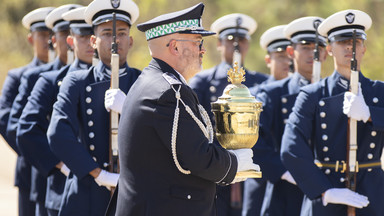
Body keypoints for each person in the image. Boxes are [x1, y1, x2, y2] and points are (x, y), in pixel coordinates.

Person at [106, 3, 259, 216]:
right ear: (175, 47)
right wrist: (234, 164)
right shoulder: (167, 91)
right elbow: (197, 156)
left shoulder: (157, 83)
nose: (203, 49)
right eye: (198, 42)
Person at [281, 9, 382, 216]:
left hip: (372, 192)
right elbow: (291, 147)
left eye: (356, 42)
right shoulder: (313, 94)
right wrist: (325, 191)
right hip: (327, 191)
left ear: (364, 48)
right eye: (342, 41)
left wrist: (370, 114)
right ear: (328, 49)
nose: (350, 47)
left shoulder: (380, 91)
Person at [46, 0, 141, 215]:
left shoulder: (144, 81)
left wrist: (130, 110)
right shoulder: (77, 81)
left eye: (122, 33)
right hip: (86, 190)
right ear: (93, 41)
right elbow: (58, 133)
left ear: (131, 40)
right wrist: (98, 174)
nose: (116, 40)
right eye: (107, 33)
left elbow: (160, 133)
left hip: (133, 191)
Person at [189, 13, 268, 216]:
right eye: (230, 40)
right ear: (219, 44)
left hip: (252, 168)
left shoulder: (261, 82)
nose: (236, 45)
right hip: (216, 167)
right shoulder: (202, 81)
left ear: (248, 44)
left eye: (241, 40)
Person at [17, 6, 94, 216]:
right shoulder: (50, 80)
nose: (89, 42)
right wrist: (61, 163)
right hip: (61, 187)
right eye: (83, 36)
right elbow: (25, 130)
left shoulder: (114, 79)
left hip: (102, 191)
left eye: (93, 36)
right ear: (71, 40)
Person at [249, 17, 328, 216]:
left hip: (327, 192)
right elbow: (253, 142)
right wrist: (285, 172)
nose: (313, 53)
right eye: (306, 47)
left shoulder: (334, 93)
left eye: (318, 47)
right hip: (284, 193)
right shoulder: (272, 94)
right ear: (291, 52)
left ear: (327, 52)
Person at [0, 7, 54, 216]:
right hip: (30, 168)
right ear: (31, 39)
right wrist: (34, 150)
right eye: (42, 35)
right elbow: (6, 120)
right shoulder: (19, 76)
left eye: (52, 35)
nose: (48, 41)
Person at [242, 24, 292, 216]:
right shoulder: (255, 95)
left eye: (289, 56)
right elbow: (251, 142)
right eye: (280, 57)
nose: (287, 62)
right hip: (263, 183)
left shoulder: (305, 93)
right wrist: (282, 170)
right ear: (268, 60)